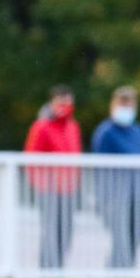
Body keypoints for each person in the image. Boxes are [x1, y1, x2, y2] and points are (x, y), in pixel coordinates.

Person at [91, 86, 140, 268]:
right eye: (122, 103)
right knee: (121, 240)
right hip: (115, 197)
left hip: (138, 195)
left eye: (130, 103)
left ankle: (126, 273)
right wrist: (105, 199)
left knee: (136, 237)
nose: (126, 107)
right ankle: (115, 275)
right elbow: (100, 169)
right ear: (114, 105)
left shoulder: (137, 130)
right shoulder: (105, 132)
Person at [24, 84, 82, 268]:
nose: (65, 106)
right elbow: (31, 157)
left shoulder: (72, 126)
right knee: (50, 232)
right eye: (61, 102)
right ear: (52, 103)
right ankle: (47, 270)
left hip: (68, 188)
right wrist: (40, 185)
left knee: (66, 231)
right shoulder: (41, 126)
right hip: (48, 188)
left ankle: (58, 268)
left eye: (68, 102)